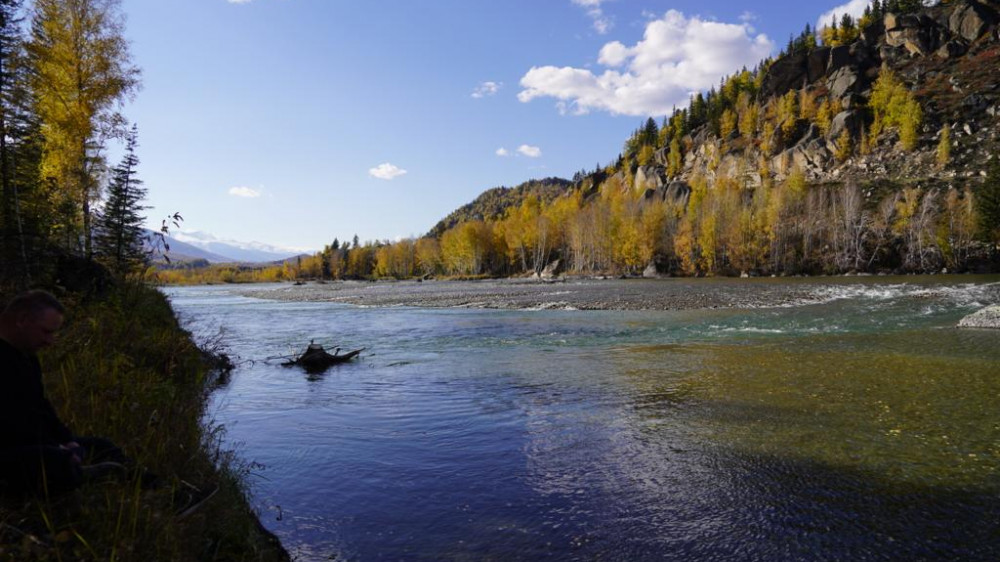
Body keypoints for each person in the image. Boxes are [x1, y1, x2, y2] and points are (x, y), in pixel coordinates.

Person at [0, 290, 130, 496]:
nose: (50, 341)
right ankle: (85, 476)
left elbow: (41, 408)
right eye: (46, 332)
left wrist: (67, 440)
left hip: (34, 444)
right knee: (54, 461)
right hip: (10, 450)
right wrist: (57, 447)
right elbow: (10, 424)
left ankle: (163, 491)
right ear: (22, 320)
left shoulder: (27, 357)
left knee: (102, 446)